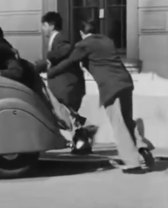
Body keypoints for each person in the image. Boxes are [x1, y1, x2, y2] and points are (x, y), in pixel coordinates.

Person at [47, 19, 155, 173]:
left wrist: (50, 72)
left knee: (119, 125)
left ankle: (132, 164)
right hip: (126, 83)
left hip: (111, 87)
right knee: (127, 121)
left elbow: (69, 61)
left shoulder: (84, 45)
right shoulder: (106, 41)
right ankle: (142, 149)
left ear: (81, 33)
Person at [35, 12, 86, 131]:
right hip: (63, 86)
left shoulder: (60, 38)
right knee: (69, 117)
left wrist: (49, 58)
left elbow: (65, 49)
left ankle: (87, 132)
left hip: (67, 86)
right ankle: (82, 140)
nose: (42, 29)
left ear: (51, 25)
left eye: (44, 25)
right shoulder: (55, 39)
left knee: (68, 117)